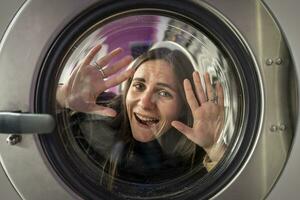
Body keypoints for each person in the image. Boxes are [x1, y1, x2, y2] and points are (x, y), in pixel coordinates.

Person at [56, 42, 226, 189]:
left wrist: (215, 148)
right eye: (139, 86)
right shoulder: (96, 109)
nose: (145, 103)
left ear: (184, 107)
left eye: (164, 93)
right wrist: (61, 97)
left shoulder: (197, 151)